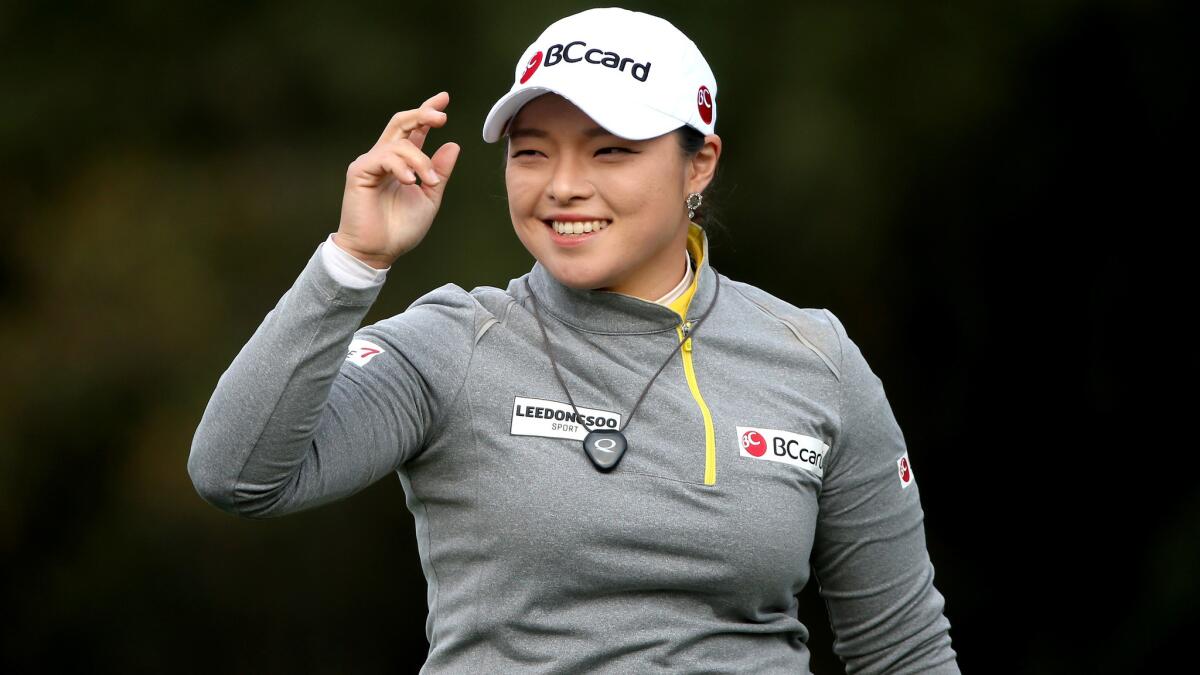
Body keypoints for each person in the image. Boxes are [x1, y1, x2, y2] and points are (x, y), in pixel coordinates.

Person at [188, 7, 959, 673]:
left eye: (609, 149)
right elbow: (238, 472)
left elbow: (903, 650)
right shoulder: (453, 340)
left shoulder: (813, 357)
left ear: (700, 163)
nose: (562, 184)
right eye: (532, 151)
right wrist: (353, 263)